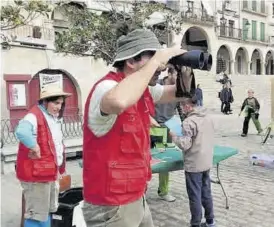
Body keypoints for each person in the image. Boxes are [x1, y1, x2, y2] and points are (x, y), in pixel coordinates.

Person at [82, 29, 194, 227]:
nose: (159, 67)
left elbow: (180, 93)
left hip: (135, 196)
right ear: (131, 61)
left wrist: (184, 68)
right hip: (111, 205)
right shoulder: (107, 87)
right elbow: (118, 101)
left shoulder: (142, 89)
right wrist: (155, 62)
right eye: (151, 56)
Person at [15, 85, 71, 227]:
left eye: (61, 103)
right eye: (56, 102)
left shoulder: (50, 116)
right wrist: (34, 146)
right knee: (36, 215)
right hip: (36, 176)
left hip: (46, 173)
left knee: (46, 212)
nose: (59, 106)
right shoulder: (34, 115)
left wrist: (59, 169)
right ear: (45, 101)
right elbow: (21, 131)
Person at [170, 97, 215, 227]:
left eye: (182, 107)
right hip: (206, 160)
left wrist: (174, 136)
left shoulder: (189, 122)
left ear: (188, 106)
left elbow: (184, 145)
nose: (182, 110)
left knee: (194, 195)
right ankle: (210, 221)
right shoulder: (208, 118)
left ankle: (195, 223)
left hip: (194, 164)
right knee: (206, 192)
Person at [154, 67, 178, 202]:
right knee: (146, 159)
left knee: (165, 160)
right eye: (176, 74)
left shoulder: (178, 89)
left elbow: (179, 109)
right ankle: (141, 191)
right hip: (152, 129)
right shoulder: (155, 85)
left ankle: (163, 191)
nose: (179, 77)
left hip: (167, 130)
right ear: (169, 73)